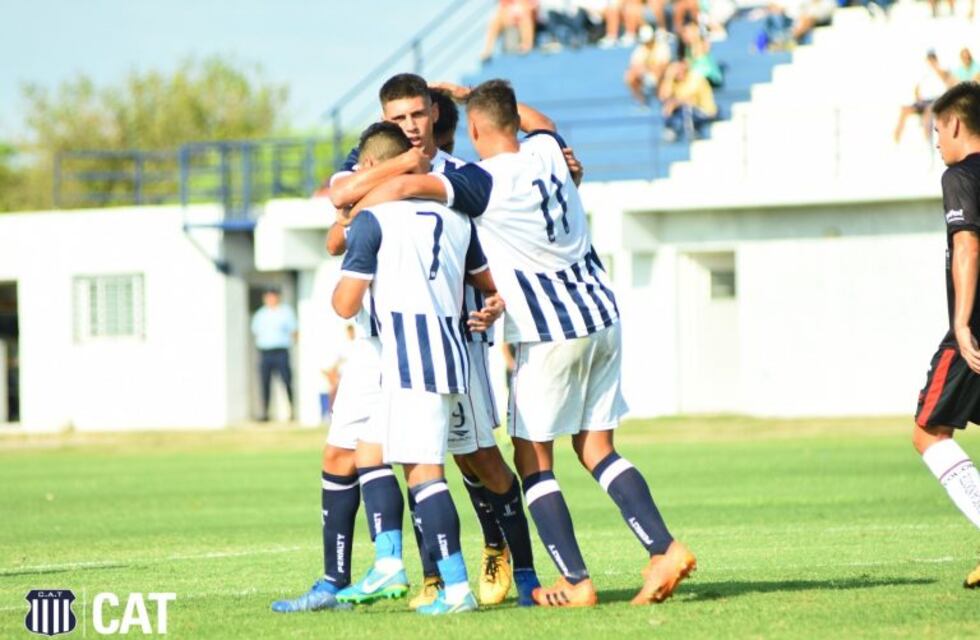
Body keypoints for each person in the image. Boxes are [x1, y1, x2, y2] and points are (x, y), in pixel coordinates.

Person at [348, 79, 695, 607]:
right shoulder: (549, 151)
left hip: (550, 330)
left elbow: (401, 191)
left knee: (533, 460)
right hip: (602, 315)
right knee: (598, 448)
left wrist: (380, 175)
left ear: (478, 128)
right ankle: (662, 548)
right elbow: (545, 125)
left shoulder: (481, 181)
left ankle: (576, 581)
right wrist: (470, 95)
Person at [328, 73, 544, 609]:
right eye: (398, 118)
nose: (410, 125)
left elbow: (486, 258)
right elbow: (337, 227)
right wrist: (391, 176)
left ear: (433, 114)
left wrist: (497, 301)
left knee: (473, 461)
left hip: (455, 342)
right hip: (383, 346)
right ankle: (408, 570)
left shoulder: (459, 179)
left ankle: (509, 564)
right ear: (385, 122)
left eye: (418, 114)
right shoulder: (363, 171)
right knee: (373, 450)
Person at [332, 122, 498, 614]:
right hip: (447, 353)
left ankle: (458, 588)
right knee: (369, 451)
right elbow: (487, 282)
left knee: (425, 475)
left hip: (410, 359)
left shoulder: (374, 220)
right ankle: (388, 563)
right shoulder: (456, 216)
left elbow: (345, 305)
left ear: (370, 168)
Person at [913, 82, 980, 590]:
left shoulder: (959, 175)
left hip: (975, 329)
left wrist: (961, 322)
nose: (936, 139)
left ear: (955, 124)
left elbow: (967, 246)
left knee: (929, 432)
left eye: (937, 128)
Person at [251, 287, 296, 422]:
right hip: (265, 352)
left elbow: (294, 331)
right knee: (265, 382)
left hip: (281, 351)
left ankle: (291, 410)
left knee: (287, 380)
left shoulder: (286, 312)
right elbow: (256, 331)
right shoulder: (260, 314)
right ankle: (265, 412)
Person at [893, 50, 949, 143]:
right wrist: (917, 97)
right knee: (904, 109)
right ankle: (895, 140)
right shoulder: (924, 72)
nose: (930, 62)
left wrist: (936, 68)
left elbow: (947, 83)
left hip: (937, 100)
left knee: (929, 110)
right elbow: (917, 88)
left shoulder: (942, 70)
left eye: (931, 59)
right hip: (923, 101)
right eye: (928, 60)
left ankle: (927, 141)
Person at [659, 59, 718, 141]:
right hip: (690, 112)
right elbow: (663, 97)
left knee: (686, 108)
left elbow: (691, 100)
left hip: (706, 112)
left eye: (679, 68)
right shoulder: (674, 81)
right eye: (675, 70)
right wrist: (668, 77)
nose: (678, 71)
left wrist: (674, 103)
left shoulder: (695, 77)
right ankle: (671, 131)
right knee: (667, 106)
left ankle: (691, 134)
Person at [624, 24, 675, 106]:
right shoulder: (640, 49)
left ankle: (663, 98)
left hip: (661, 76)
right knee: (629, 76)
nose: (648, 43)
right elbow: (634, 65)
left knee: (660, 71)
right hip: (646, 74)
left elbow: (663, 66)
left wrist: (648, 70)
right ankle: (641, 101)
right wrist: (645, 72)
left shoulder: (662, 47)